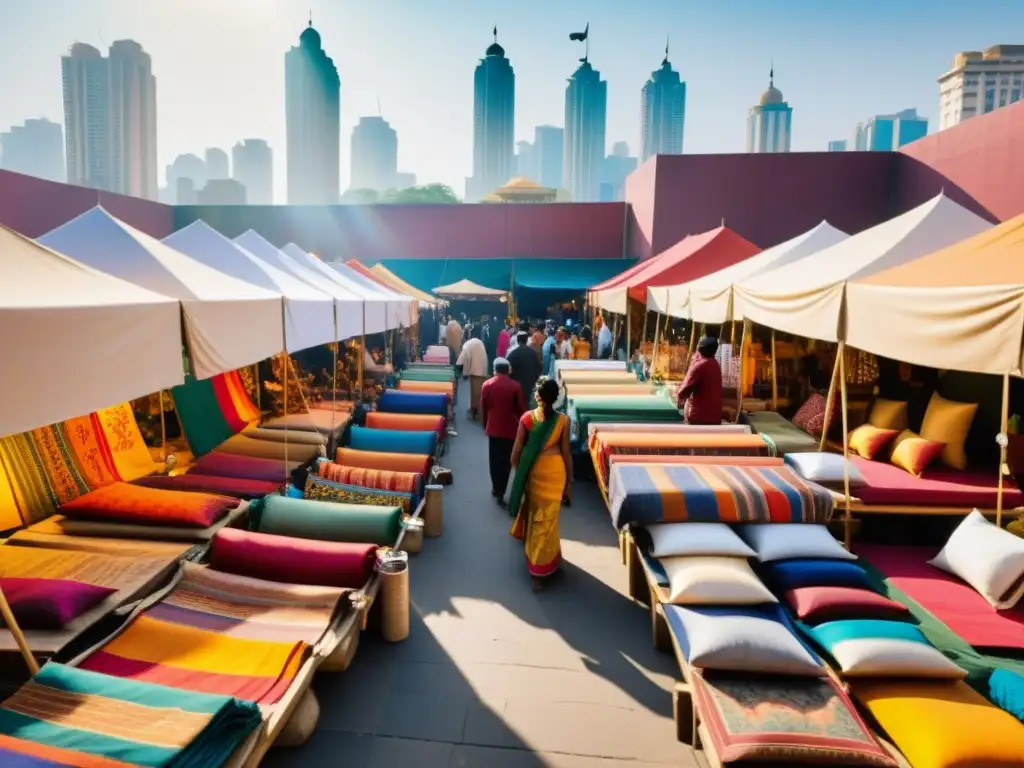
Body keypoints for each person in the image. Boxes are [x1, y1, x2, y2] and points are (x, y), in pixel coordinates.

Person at [509, 377, 572, 589]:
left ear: (537, 396)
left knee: (538, 521)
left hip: (536, 474)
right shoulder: (563, 421)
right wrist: (569, 485)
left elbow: (515, 454)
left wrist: (522, 475)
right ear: (556, 398)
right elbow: (566, 454)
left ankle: (537, 570)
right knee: (550, 520)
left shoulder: (527, 419)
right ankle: (551, 559)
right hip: (557, 474)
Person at [480, 357, 526, 503]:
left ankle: (496, 487)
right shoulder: (515, 386)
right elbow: (521, 409)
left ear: (495, 370)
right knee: (507, 460)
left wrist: (485, 424)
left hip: (493, 427)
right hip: (510, 428)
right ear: (508, 371)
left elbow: (484, 407)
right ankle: (503, 488)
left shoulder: (487, 385)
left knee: (494, 459)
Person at [677, 336, 724, 425]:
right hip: (715, 416)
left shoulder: (700, 365)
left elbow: (685, 389)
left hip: (699, 416)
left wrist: (677, 394)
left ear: (699, 349)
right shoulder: (715, 364)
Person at [456, 326, 488, 420]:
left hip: (475, 371)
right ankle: (477, 409)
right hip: (483, 369)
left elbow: (462, 358)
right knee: (480, 391)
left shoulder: (467, 344)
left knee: (475, 392)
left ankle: (475, 412)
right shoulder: (479, 342)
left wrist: (459, 370)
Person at [508, 331, 541, 408]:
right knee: (526, 404)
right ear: (526, 340)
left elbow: (508, 369)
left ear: (517, 339)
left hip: (516, 384)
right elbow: (538, 368)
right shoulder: (533, 353)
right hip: (529, 384)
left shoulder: (512, 352)